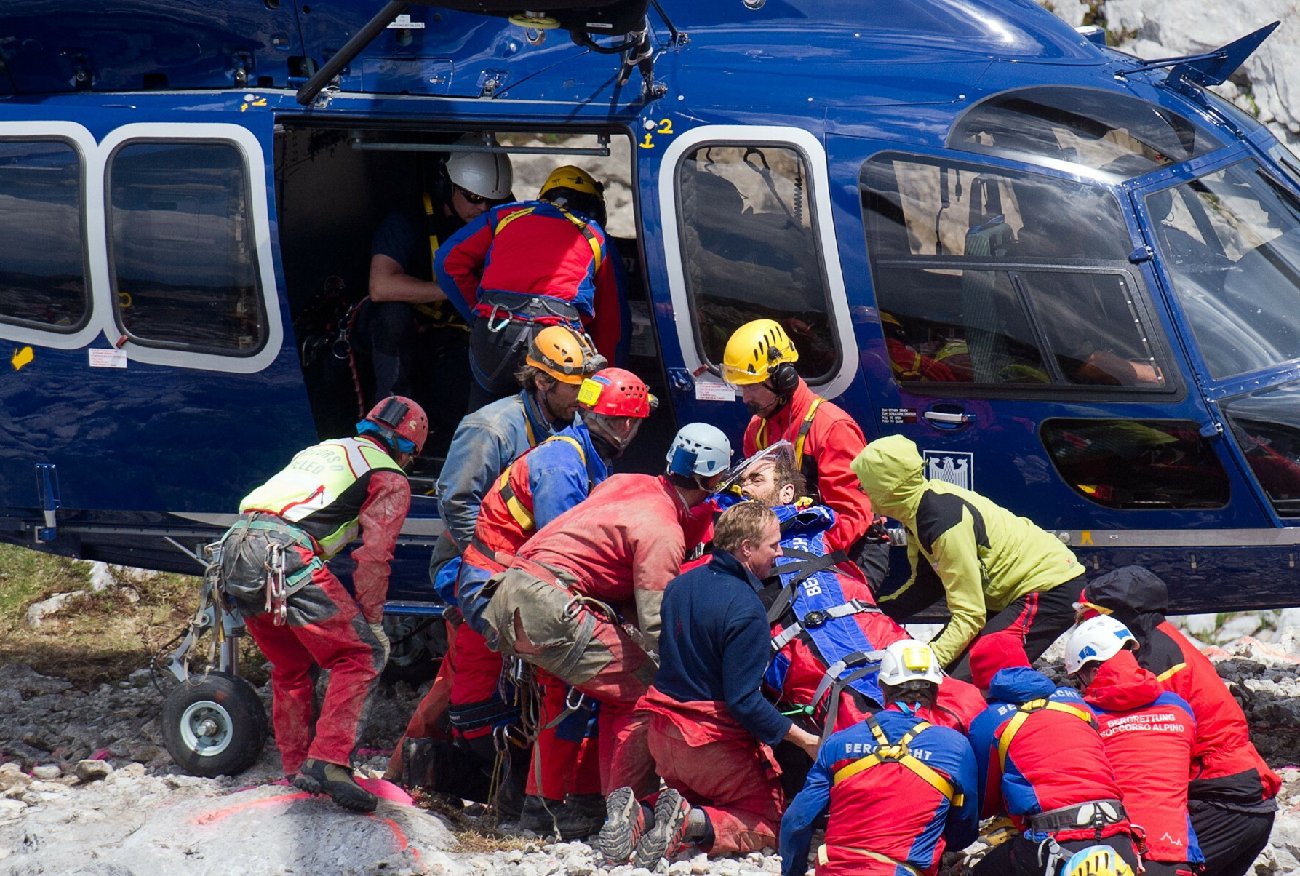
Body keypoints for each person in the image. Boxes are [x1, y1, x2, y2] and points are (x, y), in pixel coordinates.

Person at [388, 326, 601, 789]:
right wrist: (497, 571)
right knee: (461, 673)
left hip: (521, 566)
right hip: (469, 565)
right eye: (575, 385)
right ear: (543, 383)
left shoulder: (564, 426)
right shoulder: (491, 428)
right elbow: (456, 500)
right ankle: (403, 772)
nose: (585, 394)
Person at [480, 423, 733, 810]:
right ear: (713, 479)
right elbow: (655, 624)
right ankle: (621, 807)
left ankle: (545, 804)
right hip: (550, 607)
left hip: (513, 592)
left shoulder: (628, 482)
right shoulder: (663, 529)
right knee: (644, 689)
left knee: (579, 695)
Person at [457, 367, 656, 837]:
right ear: (587, 411)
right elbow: (566, 555)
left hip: (508, 584)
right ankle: (551, 803)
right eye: (614, 419)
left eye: (632, 421)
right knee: (576, 683)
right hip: (503, 588)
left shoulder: (586, 455)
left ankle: (539, 797)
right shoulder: (562, 466)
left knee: (566, 685)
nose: (624, 431)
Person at [216, 396, 426, 813]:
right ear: (410, 447)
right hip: (284, 553)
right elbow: (374, 557)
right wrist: (373, 620)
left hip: (234, 550)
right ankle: (330, 761)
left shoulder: (326, 450)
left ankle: (297, 767)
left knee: (293, 665)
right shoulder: (389, 476)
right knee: (363, 654)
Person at [598, 502, 822, 868]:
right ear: (746, 549)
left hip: (662, 733)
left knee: (692, 796)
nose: (780, 554)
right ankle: (690, 823)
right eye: (773, 546)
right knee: (769, 821)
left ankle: (643, 815)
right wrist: (807, 740)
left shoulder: (679, 587)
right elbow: (743, 701)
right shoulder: (747, 609)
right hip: (708, 745)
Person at [1075, 565, 1281, 876]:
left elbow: (1133, 756)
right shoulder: (1161, 640)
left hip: (1221, 798)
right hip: (1246, 794)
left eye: (1092, 618)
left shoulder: (1146, 664)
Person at [852, 433, 1085, 676]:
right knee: (951, 669)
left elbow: (970, 614)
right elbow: (926, 586)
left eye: (863, 485)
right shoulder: (917, 511)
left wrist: (926, 666)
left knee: (969, 677)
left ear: (886, 489)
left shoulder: (942, 523)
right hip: (1011, 593)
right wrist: (873, 612)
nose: (859, 490)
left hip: (1049, 589)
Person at [359, 135, 513, 455]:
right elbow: (381, 286)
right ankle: (387, 432)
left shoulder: (502, 221)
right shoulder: (408, 219)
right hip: (408, 331)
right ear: (448, 185)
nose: (483, 208)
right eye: (473, 197)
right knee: (391, 318)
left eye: (492, 202)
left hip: (457, 338)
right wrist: (453, 287)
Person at [779, 640, 979, 876]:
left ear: (882, 686)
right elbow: (965, 826)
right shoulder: (955, 748)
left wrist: (792, 872)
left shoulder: (838, 742)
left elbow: (797, 821)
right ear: (936, 689)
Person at [436, 164, 625, 408]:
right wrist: (606, 383)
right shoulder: (595, 235)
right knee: (556, 430)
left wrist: (478, 312)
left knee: (481, 419)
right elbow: (612, 324)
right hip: (558, 343)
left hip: (494, 332)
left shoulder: (507, 214)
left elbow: (447, 261)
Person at [721, 318, 890, 588]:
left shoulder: (832, 428)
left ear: (783, 380)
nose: (745, 398)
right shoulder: (757, 429)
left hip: (854, 545)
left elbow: (854, 514)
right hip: (788, 542)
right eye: (742, 387)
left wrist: (802, 553)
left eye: (752, 387)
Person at [965, 636, 1142, 876]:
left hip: (1054, 840)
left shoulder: (988, 722)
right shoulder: (1076, 704)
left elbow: (985, 803)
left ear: (982, 685)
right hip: (1117, 833)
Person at [1065, 616, 1202, 876]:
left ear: (1093, 670)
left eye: (1080, 676)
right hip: (1179, 854)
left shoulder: (1084, 715)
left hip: (1116, 855)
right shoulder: (1178, 706)